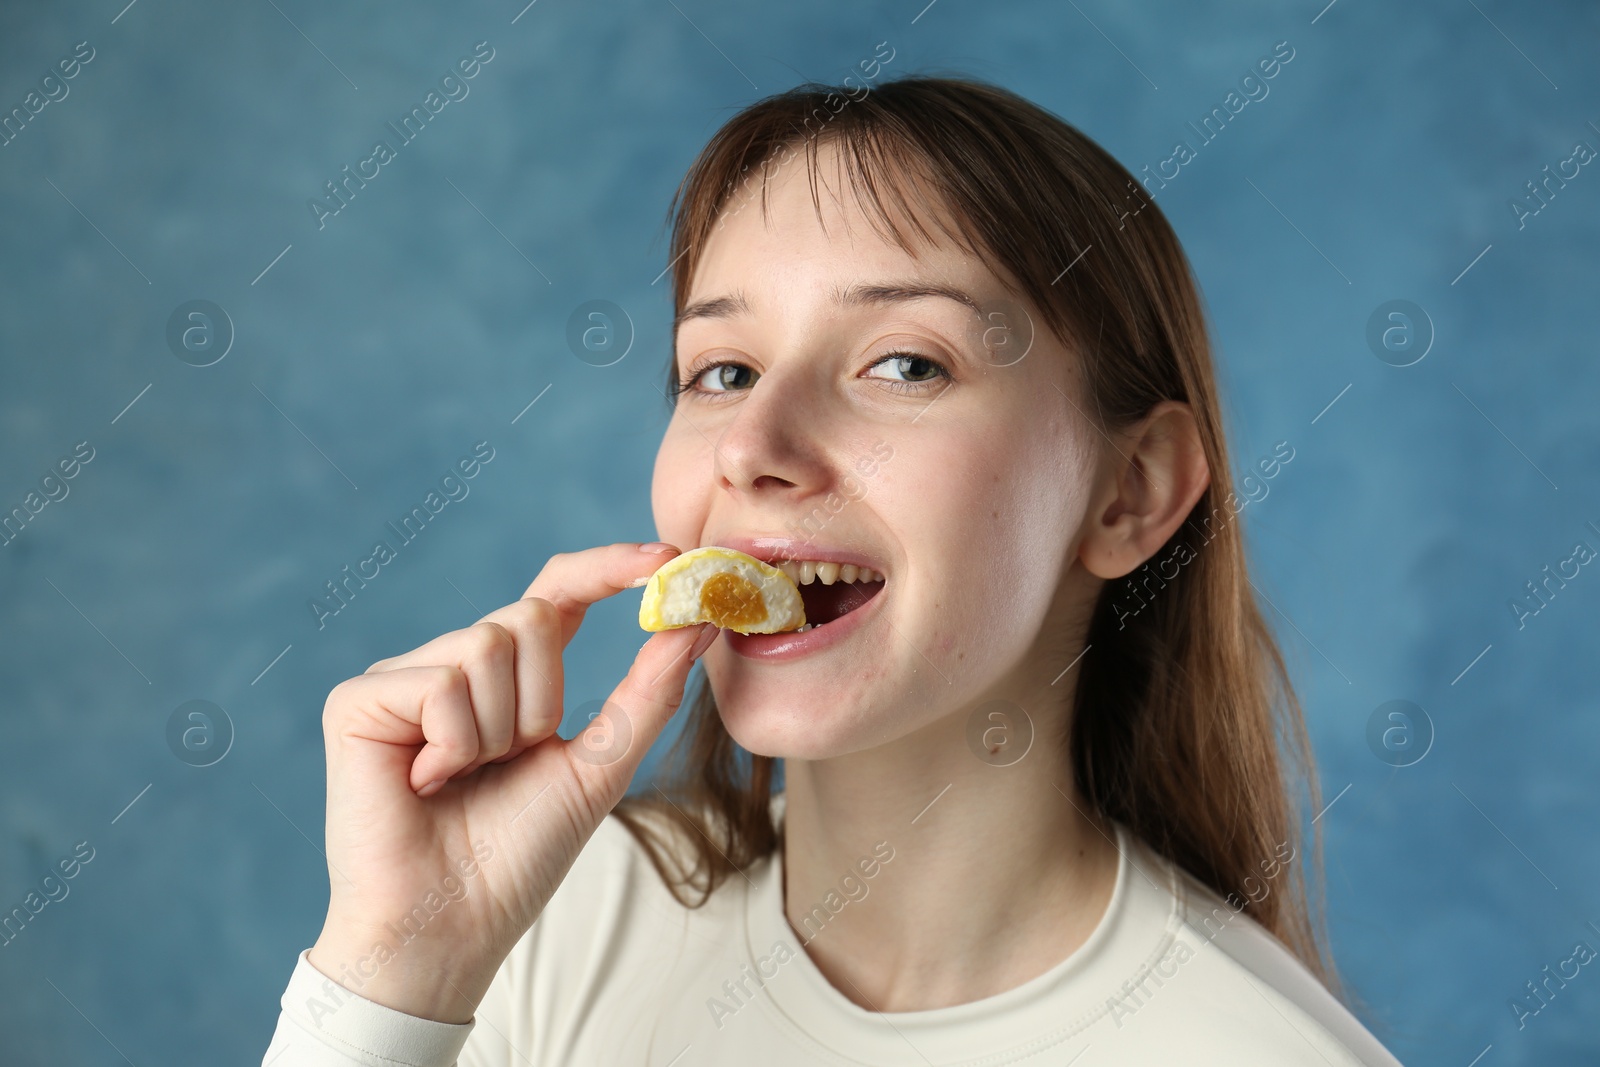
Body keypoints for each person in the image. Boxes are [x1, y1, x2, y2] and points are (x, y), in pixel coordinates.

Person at [263, 74, 1404, 1065]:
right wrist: (395, 972)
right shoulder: (545, 923)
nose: (753, 446)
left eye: (903, 362)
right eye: (721, 370)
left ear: (1131, 492)